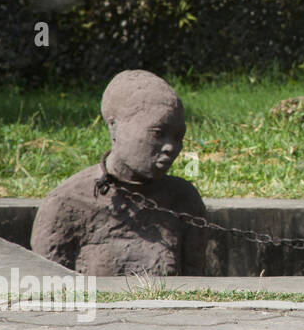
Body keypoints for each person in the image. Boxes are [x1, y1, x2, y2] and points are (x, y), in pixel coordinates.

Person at [31, 70, 206, 275]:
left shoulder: (184, 201)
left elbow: (197, 284)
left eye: (178, 136)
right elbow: (46, 294)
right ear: (114, 127)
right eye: (158, 133)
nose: (171, 147)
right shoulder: (66, 204)